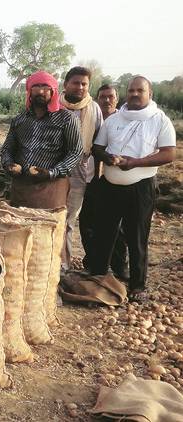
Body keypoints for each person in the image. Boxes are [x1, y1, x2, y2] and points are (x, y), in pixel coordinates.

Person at [90, 76, 175, 302]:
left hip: (141, 187)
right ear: (126, 93)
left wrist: (134, 163)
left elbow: (169, 153)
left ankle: (138, 285)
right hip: (110, 186)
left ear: (150, 94)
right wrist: (107, 157)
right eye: (131, 90)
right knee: (105, 232)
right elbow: (97, 147)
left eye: (140, 90)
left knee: (137, 236)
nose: (135, 94)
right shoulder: (115, 119)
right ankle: (99, 274)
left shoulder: (159, 120)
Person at [0, 70, 82, 209]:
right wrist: (8, 164)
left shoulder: (66, 119)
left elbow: (75, 152)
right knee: (18, 227)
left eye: (46, 87)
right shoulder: (19, 120)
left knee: (48, 228)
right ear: (29, 91)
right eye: (36, 87)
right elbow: (7, 148)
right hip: (22, 187)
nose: (41, 92)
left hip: (51, 187)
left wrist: (51, 172)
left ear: (53, 91)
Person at [80, 84, 129, 279]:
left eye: (110, 97)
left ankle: (119, 265)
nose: (106, 100)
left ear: (117, 99)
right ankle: (93, 261)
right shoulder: (90, 119)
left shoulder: (123, 122)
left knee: (117, 225)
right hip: (91, 178)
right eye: (102, 97)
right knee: (88, 222)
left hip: (116, 180)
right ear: (97, 99)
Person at [60, 66, 103, 273]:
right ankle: (50, 263)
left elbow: (98, 142)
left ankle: (64, 267)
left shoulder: (94, 109)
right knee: (53, 216)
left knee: (68, 221)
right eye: (76, 83)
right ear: (66, 84)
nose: (80, 87)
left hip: (79, 170)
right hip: (54, 170)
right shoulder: (55, 106)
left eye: (84, 84)